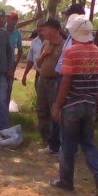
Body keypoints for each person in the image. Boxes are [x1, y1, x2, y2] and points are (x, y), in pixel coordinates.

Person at [50, 15, 98, 196]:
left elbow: (66, 81)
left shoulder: (71, 52)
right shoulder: (97, 52)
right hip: (89, 104)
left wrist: (57, 106)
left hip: (72, 105)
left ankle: (66, 181)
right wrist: (95, 103)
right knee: (88, 142)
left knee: (68, 144)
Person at [48, 3, 87, 154]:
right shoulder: (71, 36)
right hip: (62, 76)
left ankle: (67, 148)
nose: (65, 18)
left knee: (64, 113)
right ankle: (58, 145)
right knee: (60, 113)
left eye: (68, 15)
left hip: (68, 78)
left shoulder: (80, 38)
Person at [35, 18, 64, 149]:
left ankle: (55, 141)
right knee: (42, 109)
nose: (43, 31)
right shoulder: (45, 44)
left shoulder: (64, 45)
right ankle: (45, 138)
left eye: (46, 28)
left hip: (55, 82)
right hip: (42, 80)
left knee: (54, 111)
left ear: (55, 30)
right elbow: (39, 63)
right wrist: (45, 54)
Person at [6, 12, 23, 107]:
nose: (12, 22)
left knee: (8, 87)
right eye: (10, 19)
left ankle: (5, 110)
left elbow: (20, 49)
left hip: (11, 63)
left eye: (14, 20)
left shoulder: (17, 33)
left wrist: (16, 63)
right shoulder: (1, 30)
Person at [21, 20, 44, 88]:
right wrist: (25, 74)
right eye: (38, 26)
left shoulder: (50, 41)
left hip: (50, 75)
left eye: (42, 26)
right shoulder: (34, 42)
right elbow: (30, 60)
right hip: (38, 73)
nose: (40, 28)